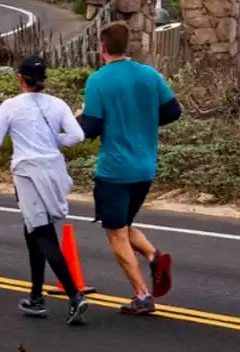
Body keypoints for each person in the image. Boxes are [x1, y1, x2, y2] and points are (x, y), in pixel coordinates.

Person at [78, 21, 180, 315]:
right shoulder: (150, 74)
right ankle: (153, 255)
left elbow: (91, 127)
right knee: (123, 224)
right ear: (127, 46)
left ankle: (142, 295)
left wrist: (78, 117)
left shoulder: (98, 81)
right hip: (145, 167)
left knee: (115, 233)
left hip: (114, 170)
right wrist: (144, 121)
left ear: (102, 48)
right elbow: (173, 110)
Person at [0, 56, 90, 325]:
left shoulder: (10, 106)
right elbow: (77, 136)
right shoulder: (58, 104)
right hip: (54, 171)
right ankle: (36, 296)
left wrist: (15, 132)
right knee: (33, 231)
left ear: (20, 79)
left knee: (43, 234)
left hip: (27, 174)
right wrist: (54, 139)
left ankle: (74, 295)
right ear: (44, 80)